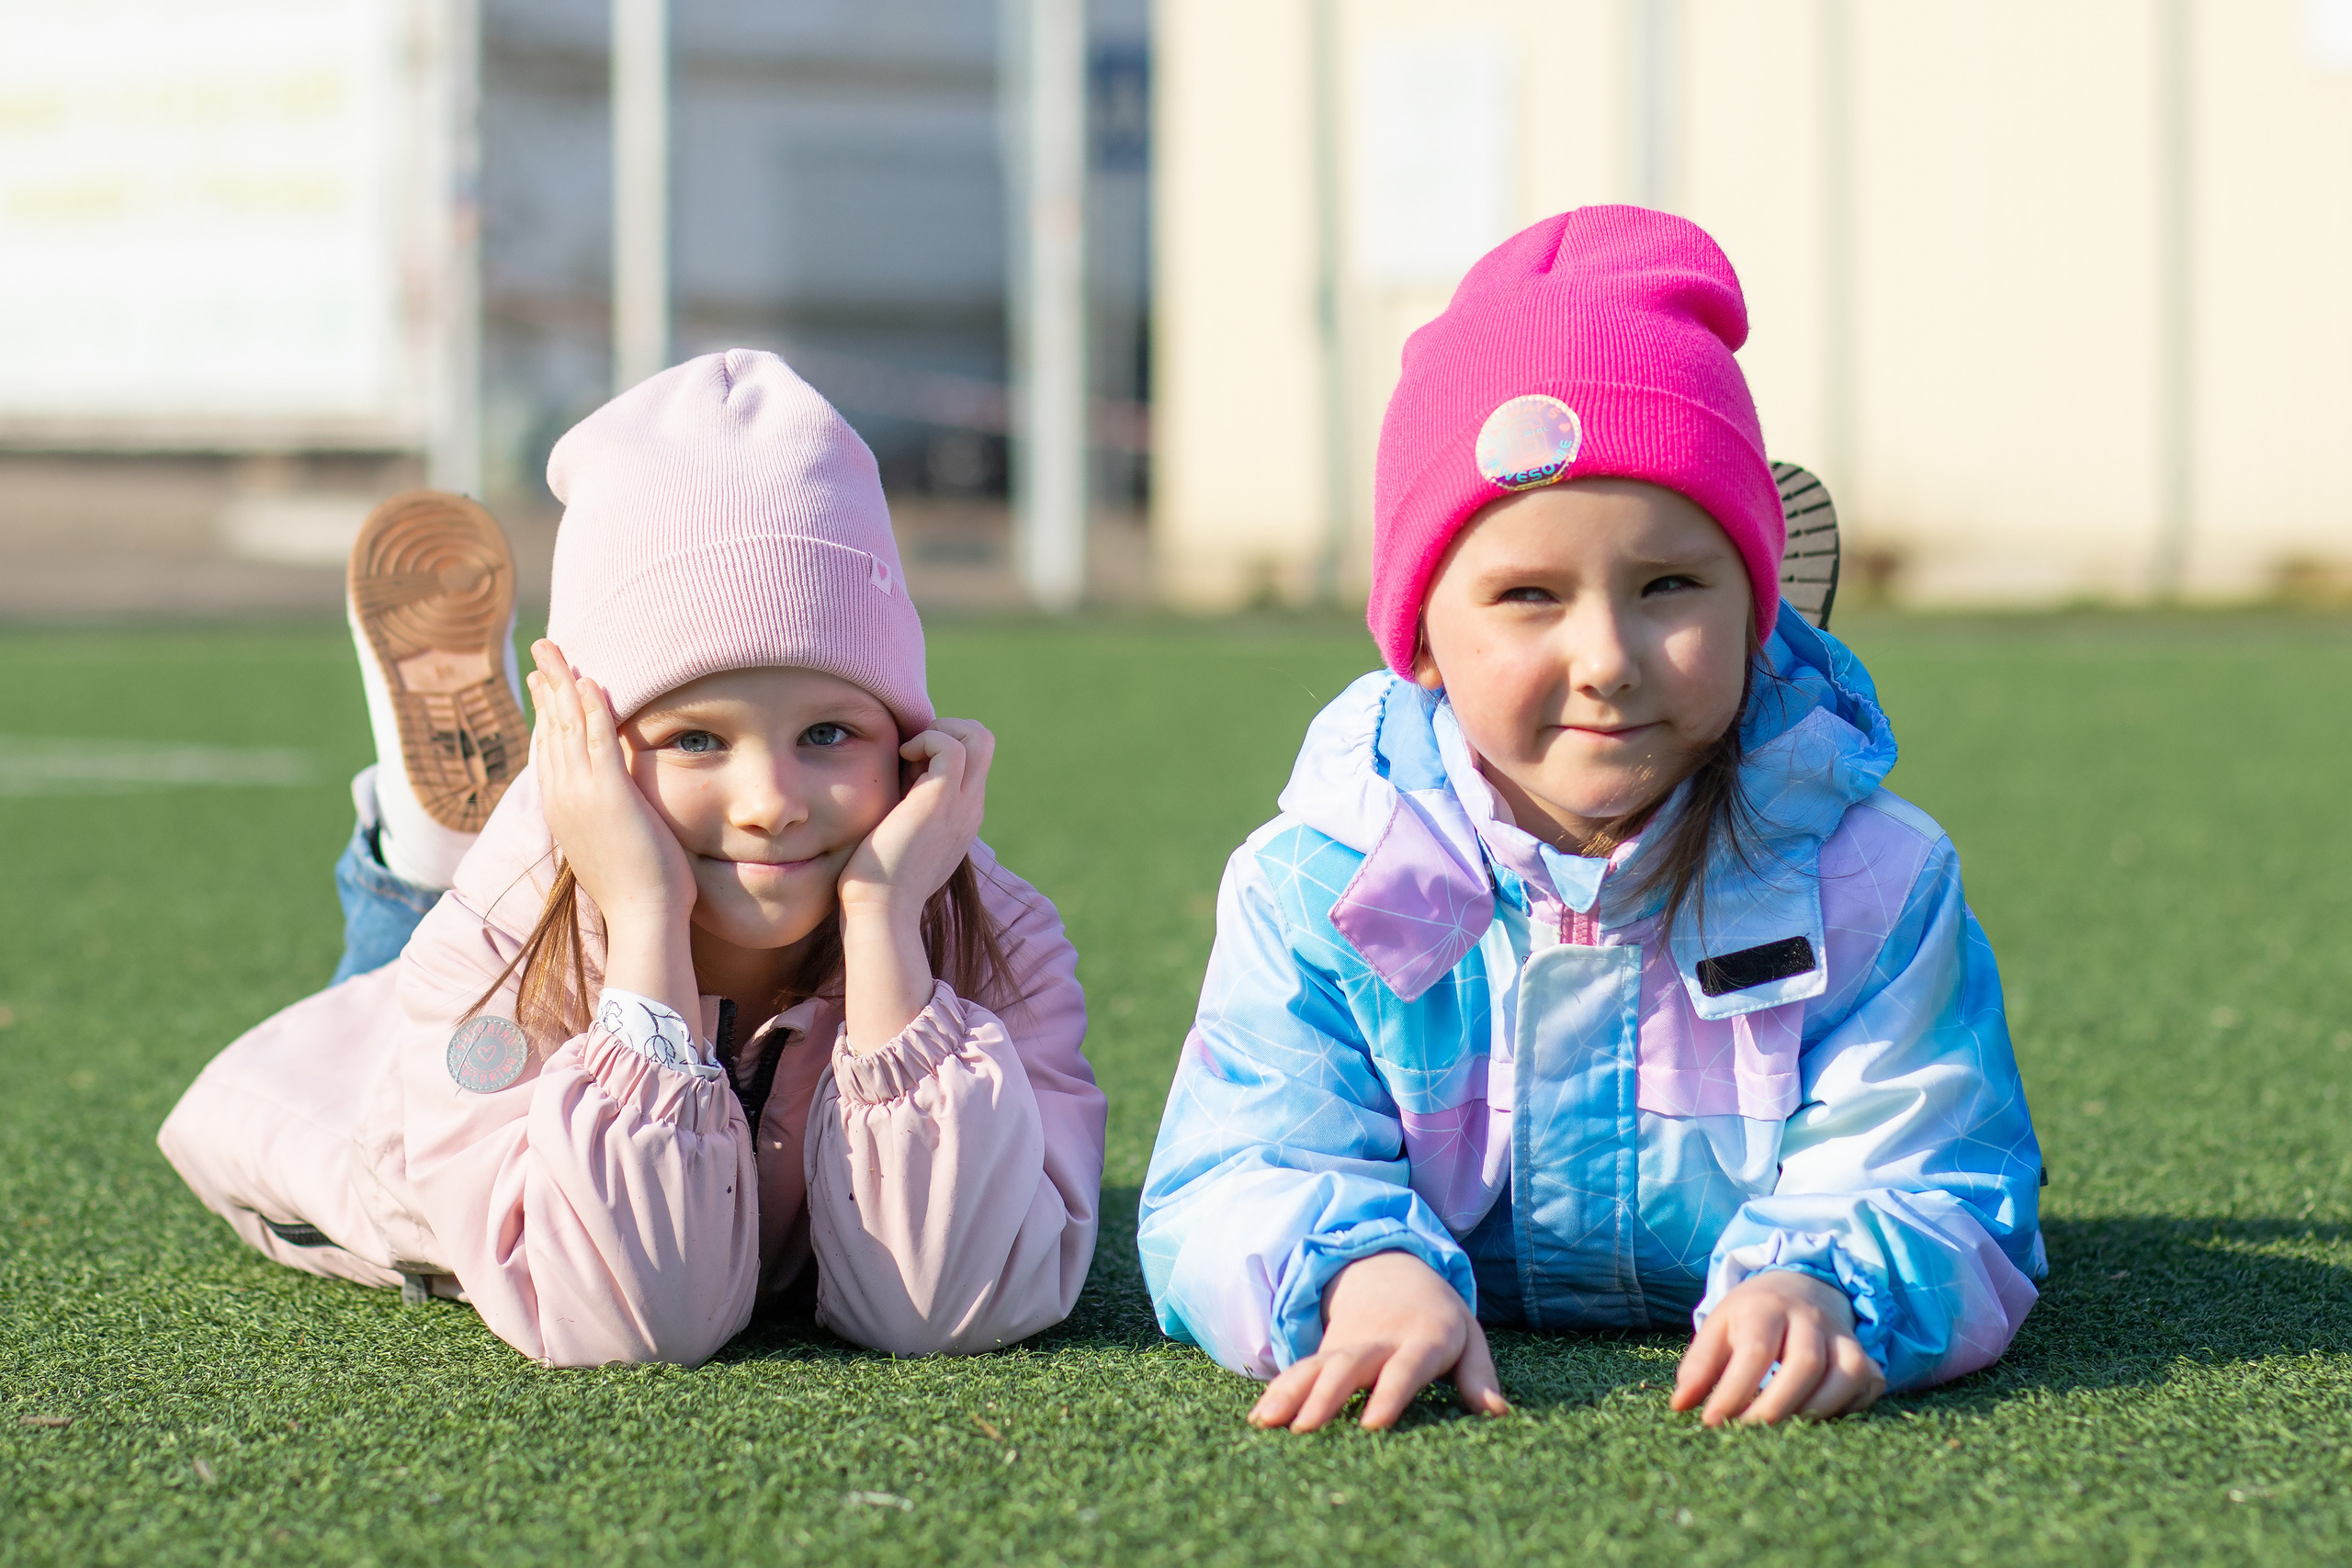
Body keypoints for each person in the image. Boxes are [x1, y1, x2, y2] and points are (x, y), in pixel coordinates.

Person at [1137, 208, 2043, 1431]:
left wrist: (1825, 1281)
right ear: (1420, 635)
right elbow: (1234, 1167)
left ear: (1755, 606)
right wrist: (1358, 1273)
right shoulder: (1324, 880)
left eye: (1670, 583)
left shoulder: (1873, 878)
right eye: (1527, 595)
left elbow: (1940, 1171)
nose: (1608, 657)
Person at [161, 350, 1106, 1368]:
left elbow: (946, 1305)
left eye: (830, 734)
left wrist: (882, 924)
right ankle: (427, 855)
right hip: (418, 1080)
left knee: (490, 903)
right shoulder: (499, 950)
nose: (772, 806)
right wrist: (647, 926)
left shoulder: (989, 939)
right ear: (600, 749)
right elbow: (635, 1322)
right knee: (406, 965)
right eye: (696, 739)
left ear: (910, 734)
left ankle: (453, 841)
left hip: (591, 905)